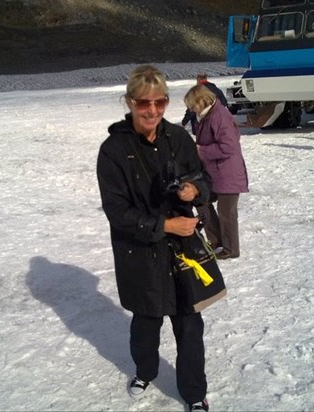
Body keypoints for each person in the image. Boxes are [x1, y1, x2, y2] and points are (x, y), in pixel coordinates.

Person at [96, 65, 212, 412]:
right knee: (146, 323)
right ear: (130, 102)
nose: (152, 111)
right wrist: (165, 225)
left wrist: (195, 191)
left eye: (160, 102)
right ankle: (145, 371)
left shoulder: (178, 138)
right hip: (140, 252)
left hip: (182, 252)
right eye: (143, 103)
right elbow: (118, 212)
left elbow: (205, 180)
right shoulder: (113, 150)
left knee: (190, 324)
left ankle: (193, 393)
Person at [184, 85, 249, 260]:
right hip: (213, 172)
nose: (190, 109)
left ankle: (231, 249)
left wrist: (201, 151)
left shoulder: (219, 116)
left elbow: (229, 146)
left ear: (200, 101)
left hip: (228, 172)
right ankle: (215, 240)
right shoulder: (207, 116)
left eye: (192, 105)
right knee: (201, 200)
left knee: (227, 213)